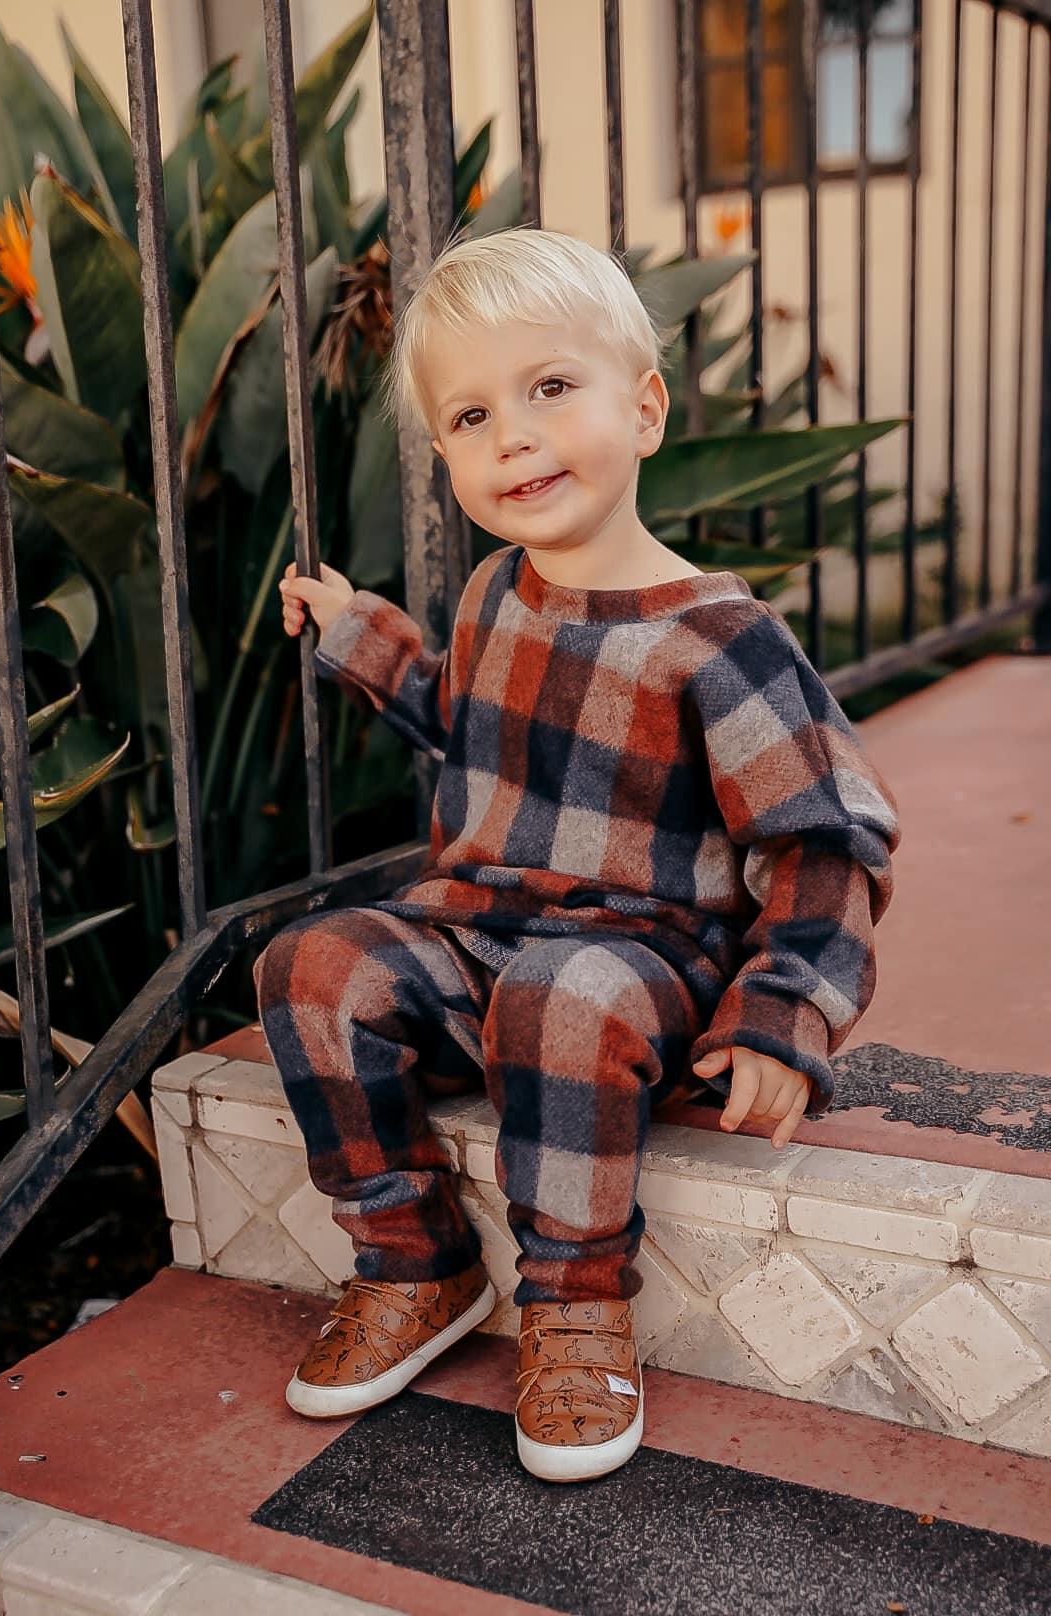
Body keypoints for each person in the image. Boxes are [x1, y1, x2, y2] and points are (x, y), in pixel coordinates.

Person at [255, 226, 900, 1484]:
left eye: (553, 388)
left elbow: (825, 835)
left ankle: (575, 1304)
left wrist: (782, 1017)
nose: (516, 435)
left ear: (647, 406)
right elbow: (463, 714)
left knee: (564, 995)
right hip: (474, 928)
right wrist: (355, 631)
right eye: (474, 413)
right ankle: (416, 1257)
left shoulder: (721, 639)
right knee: (312, 964)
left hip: (636, 962)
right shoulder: (501, 590)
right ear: (446, 456)